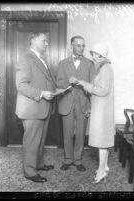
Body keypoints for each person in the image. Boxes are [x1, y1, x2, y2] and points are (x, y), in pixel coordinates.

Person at [15, 32, 57, 183]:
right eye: (44, 41)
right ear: (32, 40)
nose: (47, 43)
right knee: (32, 142)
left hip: (43, 107)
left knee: (40, 140)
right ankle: (30, 172)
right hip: (32, 109)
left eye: (47, 41)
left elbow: (46, 81)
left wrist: (55, 90)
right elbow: (21, 85)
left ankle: (38, 164)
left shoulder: (41, 58)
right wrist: (42, 93)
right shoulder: (26, 58)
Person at [76, 43, 115, 183]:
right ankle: (103, 168)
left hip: (102, 111)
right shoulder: (102, 67)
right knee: (102, 142)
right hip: (101, 109)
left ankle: (101, 171)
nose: (92, 55)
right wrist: (84, 83)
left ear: (101, 55)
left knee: (101, 142)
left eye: (94, 53)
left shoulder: (105, 68)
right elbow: (97, 87)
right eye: (92, 53)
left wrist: (85, 85)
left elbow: (103, 90)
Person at [56, 35, 95, 171]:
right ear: (71, 46)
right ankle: (68, 159)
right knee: (67, 133)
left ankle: (78, 160)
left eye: (83, 45)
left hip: (83, 103)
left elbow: (93, 85)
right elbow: (59, 83)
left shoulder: (90, 64)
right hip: (66, 102)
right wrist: (68, 81)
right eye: (78, 45)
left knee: (80, 133)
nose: (81, 48)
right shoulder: (63, 63)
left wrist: (90, 106)